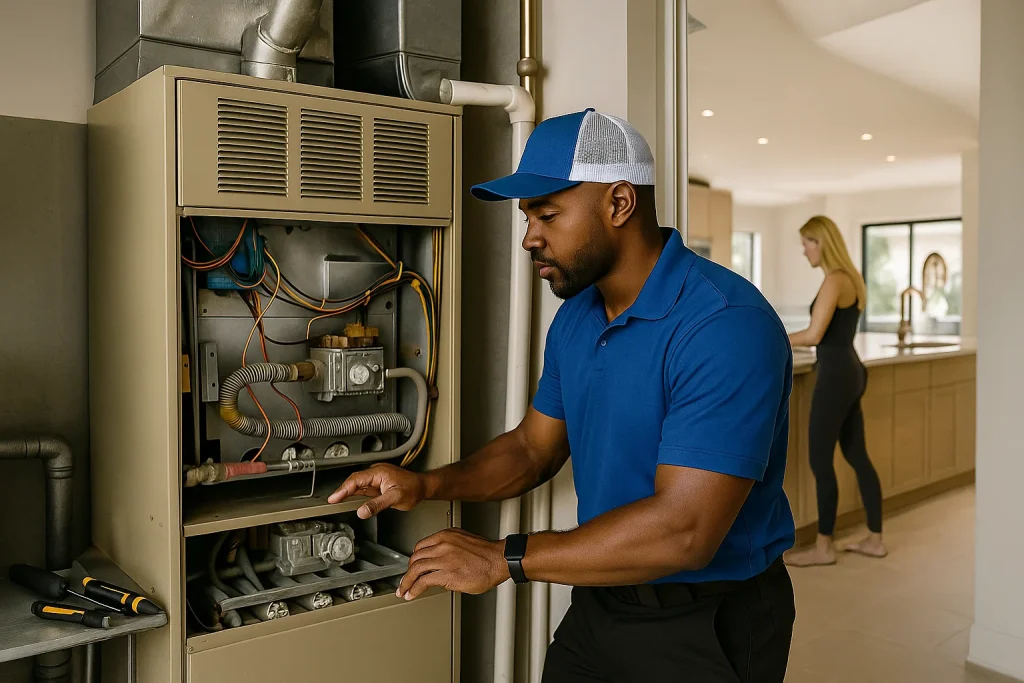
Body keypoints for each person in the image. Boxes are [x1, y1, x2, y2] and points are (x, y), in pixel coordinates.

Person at [329, 109, 797, 682]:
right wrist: (426, 484)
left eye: (547, 214)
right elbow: (532, 449)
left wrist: (504, 558)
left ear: (619, 204)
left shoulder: (724, 325)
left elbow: (685, 531)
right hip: (601, 600)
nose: (529, 237)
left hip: (707, 619)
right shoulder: (577, 317)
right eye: (528, 217)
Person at [785, 216, 887, 567]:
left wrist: (773, 337)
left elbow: (814, 335)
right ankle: (875, 538)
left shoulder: (834, 280)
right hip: (851, 369)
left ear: (821, 242)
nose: (804, 250)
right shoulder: (852, 279)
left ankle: (823, 547)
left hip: (836, 375)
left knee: (819, 458)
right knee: (857, 455)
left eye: (807, 243)